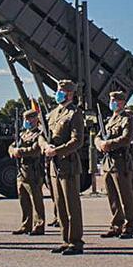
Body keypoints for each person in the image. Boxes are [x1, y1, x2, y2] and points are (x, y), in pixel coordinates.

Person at [43, 79, 86, 255]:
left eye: (62, 91)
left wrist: (57, 151)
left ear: (69, 93)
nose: (58, 93)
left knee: (71, 204)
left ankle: (76, 241)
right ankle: (65, 238)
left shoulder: (74, 114)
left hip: (68, 164)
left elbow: (77, 141)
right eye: (58, 90)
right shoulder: (53, 113)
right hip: (54, 165)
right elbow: (41, 134)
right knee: (60, 203)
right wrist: (45, 146)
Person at [95, 90, 133, 239]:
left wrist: (109, 144)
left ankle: (129, 225)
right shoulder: (109, 120)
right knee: (112, 196)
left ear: (122, 102)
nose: (112, 102)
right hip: (108, 162)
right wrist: (100, 143)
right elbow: (98, 136)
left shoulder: (127, 119)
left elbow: (127, 138)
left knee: (125, 195)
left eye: (115, 100)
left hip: (121, 161)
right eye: (111, 100)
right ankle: (116, 224)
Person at [8, 107, 46, 236]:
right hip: (22, 170)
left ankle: (39, 225)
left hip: (33, 170)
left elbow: (36, 150)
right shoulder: (23, 134)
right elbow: (11, 146)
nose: (26, 121)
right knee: (23, 199)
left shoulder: (39, 134)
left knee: (36, 199)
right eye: (24, 118)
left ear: (35, 119)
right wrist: (13, 151)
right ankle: (26, 224)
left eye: (28, 118)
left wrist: (20, 152)